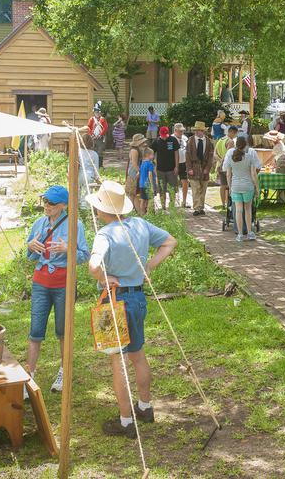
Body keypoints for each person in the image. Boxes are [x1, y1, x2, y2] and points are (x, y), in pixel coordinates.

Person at [87, 180, 178, 438]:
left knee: (119, 361)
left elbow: (94, 265)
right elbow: (170, 241)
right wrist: (149, 266)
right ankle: (145, 407)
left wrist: (101, 278)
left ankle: (126, 422)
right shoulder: (139, 224)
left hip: (114, 300)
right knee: (137, 354)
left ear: (104, 211)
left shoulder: (105, 234)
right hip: (138, 298)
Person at [25, 185, 90, 393]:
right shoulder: (38, 223)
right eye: (45, 201)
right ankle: (29, 377)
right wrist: (30, 247)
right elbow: (30, 252)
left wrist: (67, 249)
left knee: (63, 331)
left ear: (63, 205)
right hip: (40, 283)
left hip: (63, 283)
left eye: (51, 203)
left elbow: (84, 255)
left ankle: (64, 371)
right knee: (35, 331)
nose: (46, 206)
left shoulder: (75, 225)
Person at [223, 136, 260, 242]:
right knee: (248, 210)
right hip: (247, 185)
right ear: (246, 145)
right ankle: (249, 232)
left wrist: (230, 187)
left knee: (238, 210)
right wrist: (256, 187)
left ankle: (239, 234)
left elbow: (228, 174)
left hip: (235, 185)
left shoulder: (231, 157)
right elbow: (254, 174)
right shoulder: (249, 157)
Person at [186, 121, 214, 216]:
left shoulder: (209, 141)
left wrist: (208, 168)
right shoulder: (190, 141)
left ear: (203, 131)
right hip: (194, 167)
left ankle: (201, 207)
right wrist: (189, 168)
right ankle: (197, 208)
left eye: (200, 130)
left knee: (203, 189)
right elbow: (187, 155)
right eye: (196, 130)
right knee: (195, 188)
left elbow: (211, 156)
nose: (198, 132)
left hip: (204, 167)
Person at [152, 126, 180, 210]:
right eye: (162, 135)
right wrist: (153, 165)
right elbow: (151, 153)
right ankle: (163, 206)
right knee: (161, 189)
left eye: (165, 135)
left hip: (171, 169)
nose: (164, 137)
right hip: (160, 169)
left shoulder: (173, 140)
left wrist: (176, 166)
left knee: (172, 188)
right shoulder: (156, 141)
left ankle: (171, 205)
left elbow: (176, 153)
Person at [215, 125, 238, 207]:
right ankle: (229, 203)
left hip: (219, 165)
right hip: (227, 166)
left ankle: (223, 203)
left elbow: (215, 154)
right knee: (229, 185)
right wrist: (223, 161)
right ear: (232, 132)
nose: (235, 136)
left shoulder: (220, 140)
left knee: (222, 185)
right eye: (235, 134)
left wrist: (220, 160)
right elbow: (228, 155)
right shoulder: (230, 141)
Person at [125, 134, 147, 210]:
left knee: (135, 195)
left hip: (135, 174)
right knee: (132, 195)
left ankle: (136, 211)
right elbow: (134, 164)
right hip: (134, 175)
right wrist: (141, 172)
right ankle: (131, 211)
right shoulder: (134, 151)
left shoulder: (137, 150)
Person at [172, 123, 190, 208]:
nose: (181, 132)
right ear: (175, 130)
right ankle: (173, 202)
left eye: (182, 131)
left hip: (184, 163)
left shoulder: (185, 138)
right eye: (180, 131)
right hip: (173, 164)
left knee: (185, 182)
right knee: (173, 183)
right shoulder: (171, 139)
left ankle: (184, 201)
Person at [137, 148, 157, 215]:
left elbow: (139, 173)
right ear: (148, 155)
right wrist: (151, 184)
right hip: (147, 184)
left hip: (141, 184)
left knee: (142, 199)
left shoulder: (142, 163)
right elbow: (150, 174)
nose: (153, 156)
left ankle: (142, 213)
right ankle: (149, 213)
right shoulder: (150, 164)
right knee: (150, 199)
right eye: (152, 154)